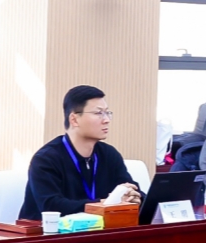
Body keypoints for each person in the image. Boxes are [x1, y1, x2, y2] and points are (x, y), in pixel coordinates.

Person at [20, 85, 142, 219]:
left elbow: (130, 188)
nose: (106, 120)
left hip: (98, 228)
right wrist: (101, 205)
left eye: (107, 113)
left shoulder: (108, 154)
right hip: (49, 230)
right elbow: (51, 206)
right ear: (74, 119)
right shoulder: (46, 159)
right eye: (98, 113)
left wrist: (134, 197)